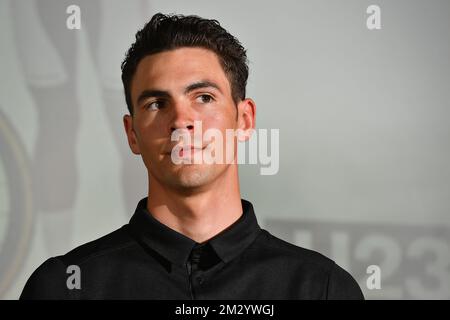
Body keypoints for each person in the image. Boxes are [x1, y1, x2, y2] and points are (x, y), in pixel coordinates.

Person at [20, 13, 364, 299]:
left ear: (244, 120)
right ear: (132, 133)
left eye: (203, 97)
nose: (181, 121)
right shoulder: (62, 288)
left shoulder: (321, 289)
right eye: (157, 104)